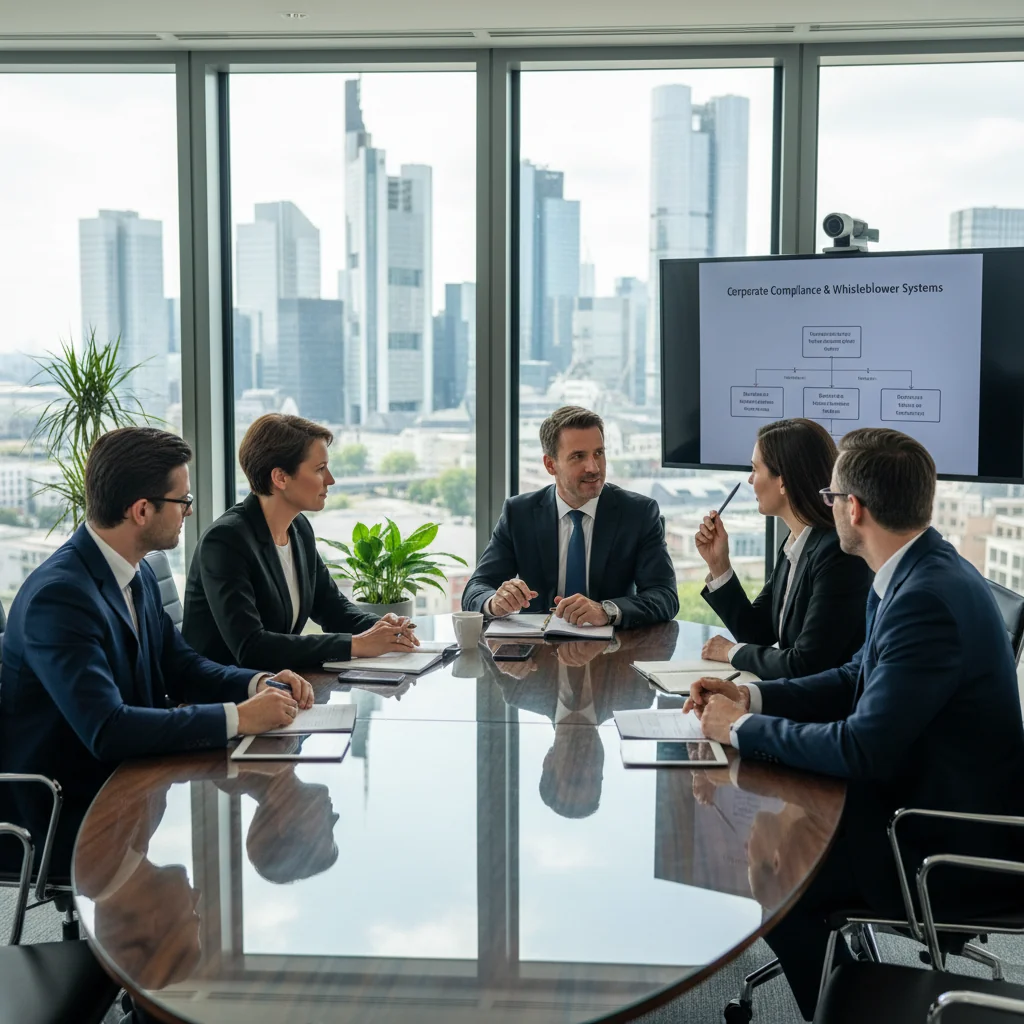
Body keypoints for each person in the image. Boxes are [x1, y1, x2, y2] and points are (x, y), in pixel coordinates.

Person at [684, 428, 1024, 1021]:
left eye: (832, 493)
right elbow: (851, 677)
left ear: (855, 508)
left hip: (937, 841)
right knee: (772, 832)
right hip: (912, 797)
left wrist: (737, 730)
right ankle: (843, 993)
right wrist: (752, 697)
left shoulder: (924, 598)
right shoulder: (912, 570)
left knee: (781, 876)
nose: (828, 503)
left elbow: (862, 747)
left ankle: (848, 1009)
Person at [0, 427, 314, 807]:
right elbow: (108, 729)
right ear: (143, 510)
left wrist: (258, 683)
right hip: (73, 814)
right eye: (183, 500)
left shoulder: (138, 571)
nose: (190, 510)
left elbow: (181, 666)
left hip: (135, 789)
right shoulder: (60, 597)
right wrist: (239, 718)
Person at [183, 414, 418, 671]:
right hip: (224, 697)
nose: (330, 480)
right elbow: (252, 648)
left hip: (276, 685)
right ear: (280, 478)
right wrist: (355, 645)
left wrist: (382, 628)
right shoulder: (226, 541)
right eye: (319, 469)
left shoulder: (298, 528)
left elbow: (332, 609)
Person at [462, 406, 679, 628]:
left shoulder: (638, 513)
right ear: (550, 464)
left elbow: (665, 597)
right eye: (578, 456)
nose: (593, 467)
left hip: (612, 652)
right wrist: (495, 602)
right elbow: (476, 588)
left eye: (599, 453)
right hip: (538, 653)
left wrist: (607, 610)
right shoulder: (519, 513)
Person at [696, 418, 873, 678]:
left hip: (826, 710)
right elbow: (758, 633)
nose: (749, 480)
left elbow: (806, 664)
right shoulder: (797, 542)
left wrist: (732, 652)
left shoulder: (838, 554)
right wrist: (718, 564)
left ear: (783, 481)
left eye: (756, 469)